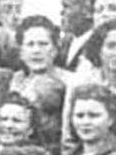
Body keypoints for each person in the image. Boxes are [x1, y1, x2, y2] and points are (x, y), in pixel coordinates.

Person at [10, 15, 73, 146]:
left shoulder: (70, 81)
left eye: (43, 44)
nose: (36, 50)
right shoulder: (15, 81)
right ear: (21, 52)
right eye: (30, 44)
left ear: (55, 50)